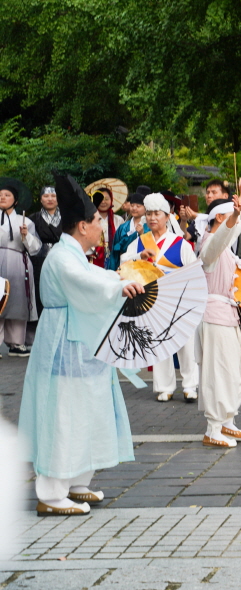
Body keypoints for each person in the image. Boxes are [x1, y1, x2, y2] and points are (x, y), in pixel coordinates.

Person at [18, 174, 144, 515]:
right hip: (63, 344)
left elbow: (94, 276)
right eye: (97, 221)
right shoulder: (63, 258)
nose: (101, 226)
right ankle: (51, 493)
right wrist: (118, 286)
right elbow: (84, 283)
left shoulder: (70, 253)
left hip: (77, 343)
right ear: (84, 226)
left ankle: (75, 482)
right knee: (64, 414)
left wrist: (120, 275)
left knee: (85, 410)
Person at [122, 193, 200, 402]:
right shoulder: (139, 243)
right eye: (149, 214)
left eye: (157, 213)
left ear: (167, 216)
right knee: (159, 343)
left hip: (179, 300)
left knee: (186, 343)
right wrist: (139, 257)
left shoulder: (180, 243)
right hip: (152, 301)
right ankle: (164, 386)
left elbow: (193, 271)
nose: (152, 218)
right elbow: (124, 263)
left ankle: (190, 385)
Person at [196, 197, 241, 448]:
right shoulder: (209, 244)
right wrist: (234, 216)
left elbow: (230, 234)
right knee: (219, 373)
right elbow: (222, 237)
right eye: (232, 217)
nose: (237, 221)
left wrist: (239, 204)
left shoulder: (224, 247)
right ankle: (213, 427)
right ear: (220, 218)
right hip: (213, 315)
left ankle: (226, 419)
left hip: (226, 315)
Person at [0, 184, 41, 357]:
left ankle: (16, 343)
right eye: (0, 195)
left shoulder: (26, 222)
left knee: (18, 301)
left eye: (7, 195)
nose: (2, 197)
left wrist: (26, 236)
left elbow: (35, 248)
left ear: (15, 201)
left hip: (18, 262)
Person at [28, 187, 64, 316]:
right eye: (46, 196)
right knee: (40, 289)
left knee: (62, 288)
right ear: (41, 199)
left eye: (53, 196)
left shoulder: (67, 218)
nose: (50, 199)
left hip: (62, 258)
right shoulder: (33, 218)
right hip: (39, 259)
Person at [106, 187, 149, 271]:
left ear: (145, 209)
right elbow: (115, 251)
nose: (134, 208)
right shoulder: (123, 227)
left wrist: (142, 234)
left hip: (143, 264)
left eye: (138, 206)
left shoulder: (149, 227)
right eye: (132, 205)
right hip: (124, 264)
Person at [90, 187, 122, 268]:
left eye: (106, 199)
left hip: (115, 256)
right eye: (100, 199)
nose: (103, 202)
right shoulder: (90, 219)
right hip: (95, 255)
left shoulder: (118, 219)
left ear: (111, 200)